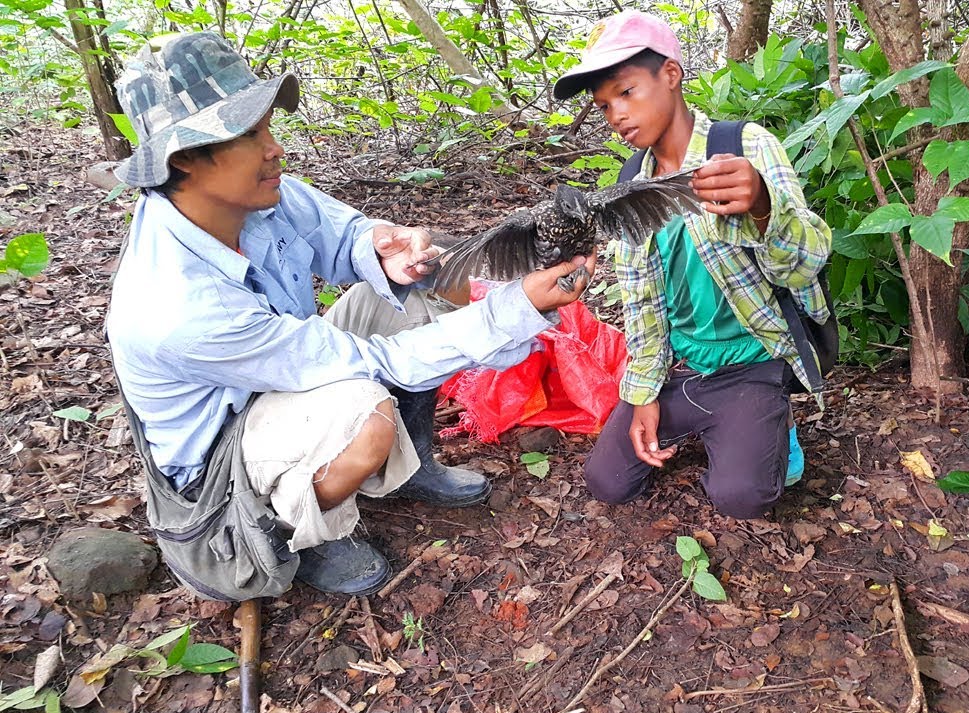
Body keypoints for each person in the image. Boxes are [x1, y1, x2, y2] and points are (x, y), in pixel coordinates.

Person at [107, 32, 595, 596]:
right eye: (250, 134)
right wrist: (517, 307)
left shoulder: (258, 198)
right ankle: (300, 534)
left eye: (267, 127)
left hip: (277, 374)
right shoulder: (177, 307)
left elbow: (342, 236)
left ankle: (409, 469)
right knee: (365, 408)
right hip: (225, 455)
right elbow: (374, 364)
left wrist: (388, 249)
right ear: (185, 159)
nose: (274, 148)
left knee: (409, 293)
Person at [555, 11, 832, 519]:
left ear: (671, 74)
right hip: (681, 366)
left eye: (627, 92)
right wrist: (642, 393)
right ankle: (718, 423)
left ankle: (768, 422)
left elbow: (807, 262)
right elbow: (641, 297)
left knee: (742, 497)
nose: (616, 114)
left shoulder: (742, 147)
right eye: (604, 105)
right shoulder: (631, 182)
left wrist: (764, 205)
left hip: (752, 360)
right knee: (608, 481)